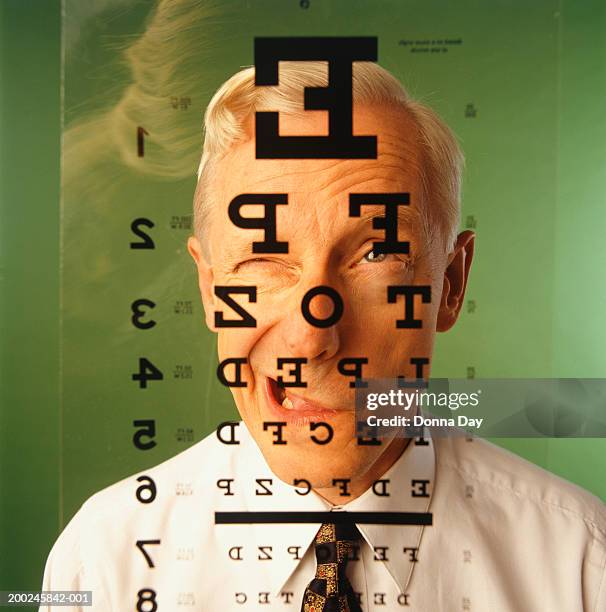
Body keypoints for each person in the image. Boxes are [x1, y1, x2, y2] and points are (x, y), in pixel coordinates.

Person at [40, 60, 606, 611]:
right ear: (212, 292)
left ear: (451, 284)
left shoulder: (582, 564)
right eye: (264, 256)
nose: (313, 340)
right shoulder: (103, 564)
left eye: (376, 253)